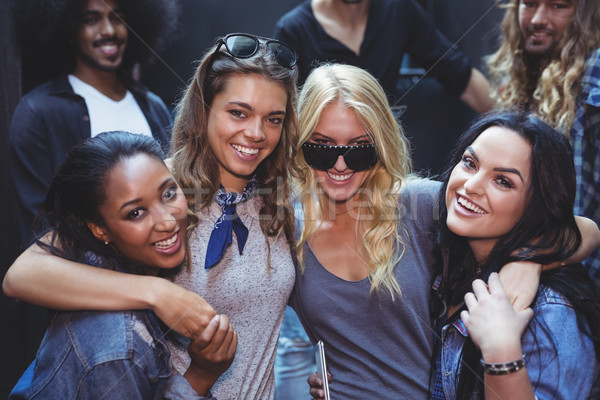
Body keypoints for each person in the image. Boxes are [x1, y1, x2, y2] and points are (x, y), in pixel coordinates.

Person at [4, 33, 300, 399]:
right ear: (204, 107)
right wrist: (156, 292)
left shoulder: (284, 201)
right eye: (238, 112)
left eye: (273, 119)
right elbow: (22, 275)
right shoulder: (160, 191)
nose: (256, 133)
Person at [293, 64, 600, 400]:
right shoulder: (285, 231)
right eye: (321, 148)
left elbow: (584, 230)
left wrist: (530, 261)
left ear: (381, 145)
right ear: (298, 143)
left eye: (359, 149)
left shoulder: (417, 204)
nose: (340, 165)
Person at [8, 131, 236, 399]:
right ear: (99, 229)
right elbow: (17, 277)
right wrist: (203, 374)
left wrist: (203, 372)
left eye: (169, 193)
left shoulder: (113, 277)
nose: (167, 222)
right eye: (135, 213)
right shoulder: (119, 346)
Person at [430, 112, 600, 399]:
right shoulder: (443, 250)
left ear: (537, 205)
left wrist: (500, 350)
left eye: (503, 181)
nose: (471, 185)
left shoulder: (550, 311)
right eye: (470, 163)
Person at [9, 0, 178, 249]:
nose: (109, 30)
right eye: (91, 19)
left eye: (117, 18)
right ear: (69, 28)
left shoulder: (153, 107)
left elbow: (172, 194)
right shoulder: (38, 113)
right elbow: (38, 231)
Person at [486, 0, 600, 285]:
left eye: (558, 6)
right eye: (530, 4)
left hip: (580, 282)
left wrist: (539, 259)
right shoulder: (524, 73)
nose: (537, 18)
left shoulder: (594, 71)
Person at [272, 0, 494, 113]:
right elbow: (278, 114)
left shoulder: (398, 9)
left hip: (380, 155)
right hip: (319, 161)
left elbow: (457, 72)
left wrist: (516, 130)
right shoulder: (294, 30)